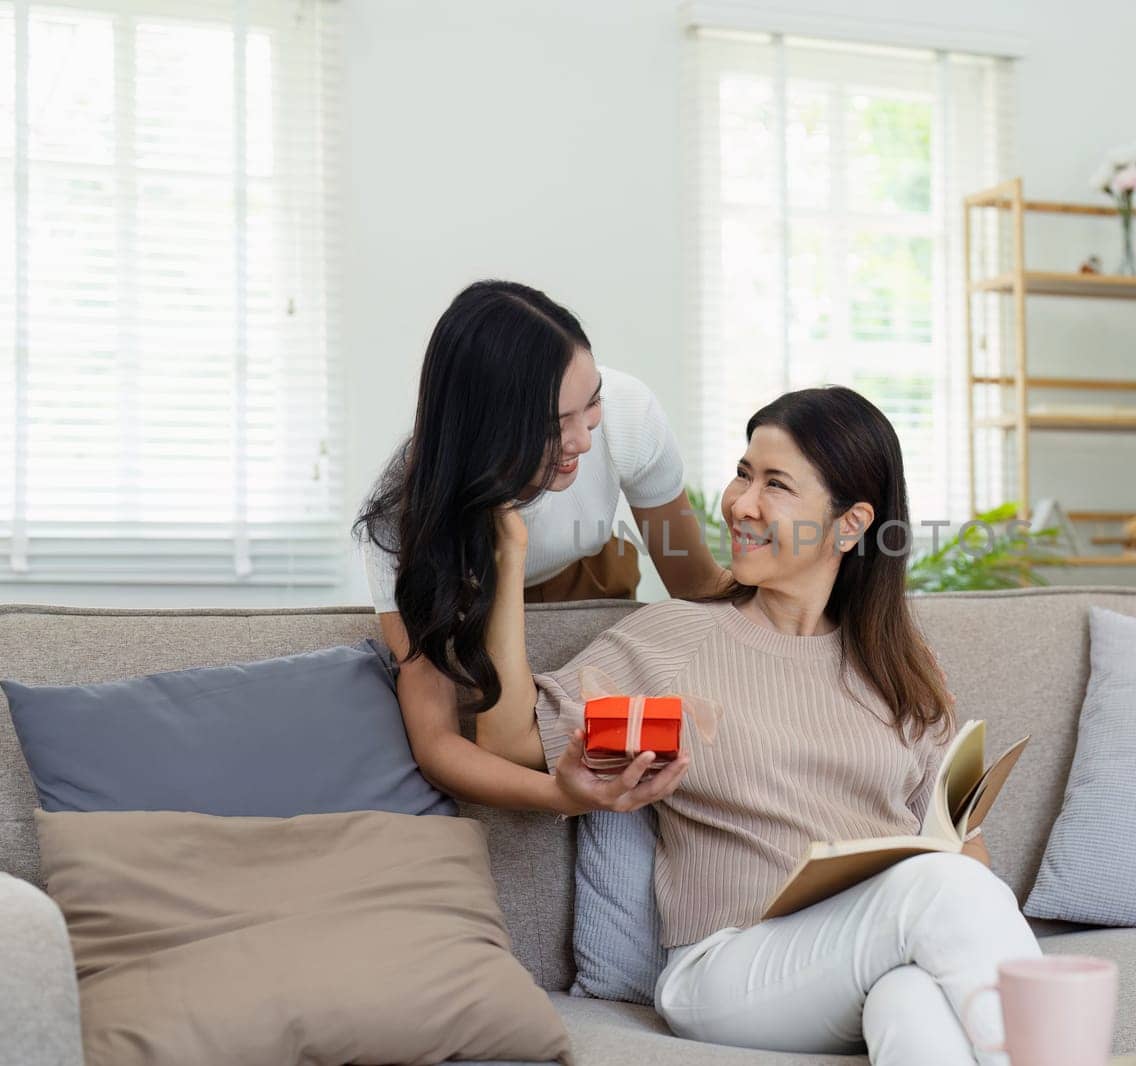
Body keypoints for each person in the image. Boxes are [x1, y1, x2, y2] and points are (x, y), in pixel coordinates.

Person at [474, 386, 1040, 1065]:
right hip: (724, 967)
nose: (741, 503)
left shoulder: (902, 667)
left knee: (913, 1003)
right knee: (941, 894)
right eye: (744, 473)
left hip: (864, 960)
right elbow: (506, 743)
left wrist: (962, 857)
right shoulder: (677, 638)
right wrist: (506, 559)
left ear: (852, 524)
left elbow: (962, 847)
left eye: (776, 484)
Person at [352, 279, 719, 814]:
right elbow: (436, 744)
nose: (583, 441)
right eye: (552, 425)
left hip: (590, 579)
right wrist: (566, 796)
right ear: (482, 427)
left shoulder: (628, 418)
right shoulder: (400, 521)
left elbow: (696, 582)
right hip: (475, 619)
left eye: (590, 403)